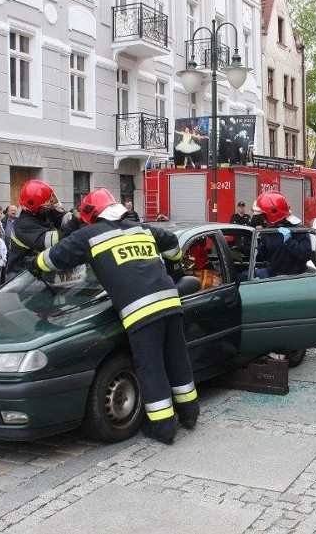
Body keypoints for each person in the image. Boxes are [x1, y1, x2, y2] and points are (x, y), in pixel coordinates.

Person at [27, 188, 199, 445]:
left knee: (151, 368)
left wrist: (34, 264)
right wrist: (173, 267)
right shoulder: (141, 229)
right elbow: (173, 244)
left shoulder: (89, 234)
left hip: (141, 311)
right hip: (170, 301)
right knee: (177, 360)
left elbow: (53, 259)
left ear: (91, 215)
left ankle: (164, 429)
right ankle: (190, 415)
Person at [5, 180, 81, 278]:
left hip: (40, 271)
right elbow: (46, 241)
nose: (51, 203)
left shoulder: (43, 212)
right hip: (22, 276)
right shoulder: (23, 224)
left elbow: (63, 218)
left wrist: (80, 215)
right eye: (48, 202)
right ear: (37, 206)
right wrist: (74, 223)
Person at [251, 191, 312, 279]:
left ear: (272, 213)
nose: (263, 219)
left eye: (263, 215)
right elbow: (261, 255)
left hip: (294, 277)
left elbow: (306, 254)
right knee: (242, 276)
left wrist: (289, 241)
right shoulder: (269, 231)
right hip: (273, 274)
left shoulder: (297, 229)